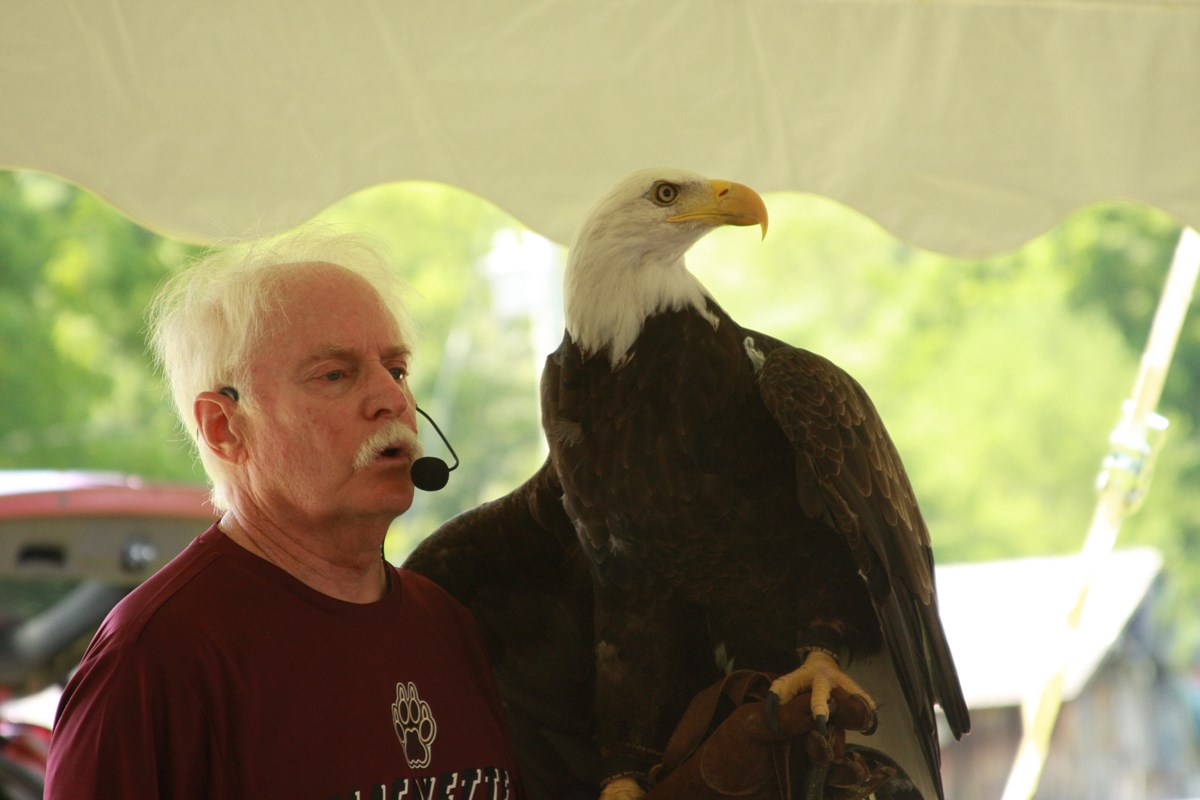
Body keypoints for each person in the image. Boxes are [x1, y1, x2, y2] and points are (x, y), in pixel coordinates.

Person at [44, 228, 525, 799]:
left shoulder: (446, 624)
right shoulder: (153, 659)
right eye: (335, 375)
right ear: (225, 429)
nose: (392, 400)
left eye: (395, 369)